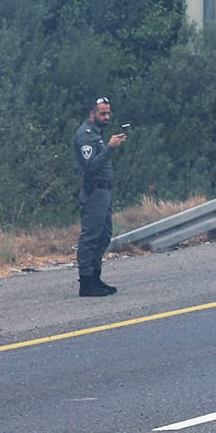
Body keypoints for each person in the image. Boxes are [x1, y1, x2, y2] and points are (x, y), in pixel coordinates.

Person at [73, 97, 127, 297]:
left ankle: (95, 277)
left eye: (108, 113)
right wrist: (110, 148)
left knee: (104, 236)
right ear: (92, 114)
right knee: (90, 237)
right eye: (103, 113)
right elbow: (90, 165)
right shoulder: (86, 135)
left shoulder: (98, 135)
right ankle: (86, 282)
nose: (107, 117)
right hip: (94, 191)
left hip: (104, 191)